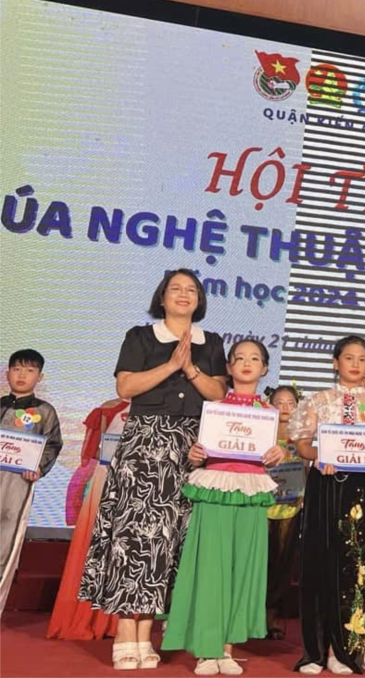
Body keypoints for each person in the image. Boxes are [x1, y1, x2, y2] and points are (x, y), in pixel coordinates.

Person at [79, 268, 228, 671]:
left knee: (167, 541)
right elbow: (125, 388)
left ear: (200, 300)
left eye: (191, 290)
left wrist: (191, 368)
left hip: (190, 447)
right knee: (133, 538)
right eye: (175, 289)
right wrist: (170, 365)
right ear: (162, 297)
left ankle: (147, 633)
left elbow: (218, 392)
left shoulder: (212, 342)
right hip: (145, 443)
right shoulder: (141, 337)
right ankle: (125, 633)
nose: (183, 294)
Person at [162, 339, 286, 675]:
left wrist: (278, 453)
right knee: (210, 567)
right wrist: (194, 454)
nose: (247, 363)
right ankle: (206, 649)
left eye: (255, 358)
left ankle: (228, 648)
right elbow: (196, 449)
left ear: (264, 368)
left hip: (251, 491)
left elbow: (275, 453)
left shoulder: (269, 413)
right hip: (216, 488)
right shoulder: (213, 406)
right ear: (228, 367)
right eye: (239, 358)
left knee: (242, 568)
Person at [292, 334, 365, 675]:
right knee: (319, 562)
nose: (356, 364)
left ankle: (344, 651)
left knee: (353, 566)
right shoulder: (318, 401)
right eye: (349, 358)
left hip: (358, 489)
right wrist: (320, 455)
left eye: (362, 359)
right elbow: (302, 446)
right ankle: (315, 651)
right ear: (336, 363)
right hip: (324, 484)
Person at [47, 396, 130, 639]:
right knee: (94, 548)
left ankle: (120, 622)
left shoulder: (162, 406)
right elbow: (93, 453)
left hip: (139, 488)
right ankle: (87, 617)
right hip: (105, 482)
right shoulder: (108, 409)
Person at [0, 348, 64, 618]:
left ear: (40, 376)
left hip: (18, 482)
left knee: (7, 538)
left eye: (29, 370)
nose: (22, 375)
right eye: (16, 369)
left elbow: (53, 444)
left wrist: (38, 466)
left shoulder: (44, 411)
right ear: (7, 373)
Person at [265, 384, 304, 641]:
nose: (285, 408)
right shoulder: (263, 434)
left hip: (290, 506)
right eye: (279, 403)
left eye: (290, 403)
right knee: (261, 561)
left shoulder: (302, 437)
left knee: (282, 563)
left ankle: (271, 618)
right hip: (264, 504)